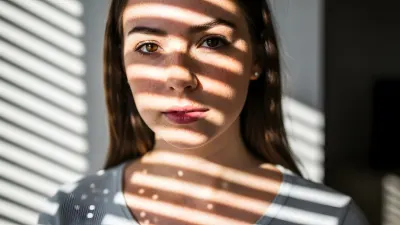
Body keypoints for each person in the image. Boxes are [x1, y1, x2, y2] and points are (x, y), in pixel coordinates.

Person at [37, 0, 369, 224]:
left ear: (256, 58)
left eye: (211, 41)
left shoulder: (330, 217)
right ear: (122, 65)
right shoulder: (73, 210)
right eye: (148, 47)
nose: (178, 76)